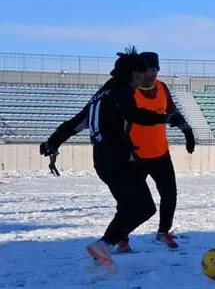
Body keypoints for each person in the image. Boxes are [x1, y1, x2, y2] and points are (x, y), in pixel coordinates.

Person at [39, 47, 187, 270]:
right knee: (145, 207)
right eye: (138, 76)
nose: (139, 82)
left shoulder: (99, 96)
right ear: (131, 74)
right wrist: (164, 118)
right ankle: (105, 244)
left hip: (101, 160)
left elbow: (74, 124)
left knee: (127, 205)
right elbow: (135, 115)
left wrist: (51, 143)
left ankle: (110, 245)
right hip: (119, 157)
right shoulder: (121, 90)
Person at [115, 51, 195, 252]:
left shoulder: (162, 88)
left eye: (155, 69)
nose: (151, 74)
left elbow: (172, 112)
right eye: (148, 69)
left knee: (169, 194)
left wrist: (187, 131)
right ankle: (122, 238)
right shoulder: (128, 90)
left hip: (160, 154)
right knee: (129, 200)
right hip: (134, 156)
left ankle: (163, 231)